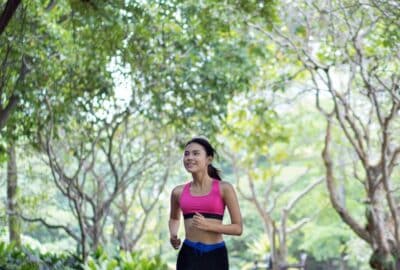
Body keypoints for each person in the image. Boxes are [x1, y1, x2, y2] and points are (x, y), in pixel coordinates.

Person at [169, 137, 243, 270]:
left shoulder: (224, 188)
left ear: (209, 159)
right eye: (186, 154)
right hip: (188, 254)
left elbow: (238, 228)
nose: (189, 157)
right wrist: (173, 234)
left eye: (196, 153)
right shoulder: (178, 192)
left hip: (215, 255)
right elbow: (174, 218)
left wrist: (209, 226)